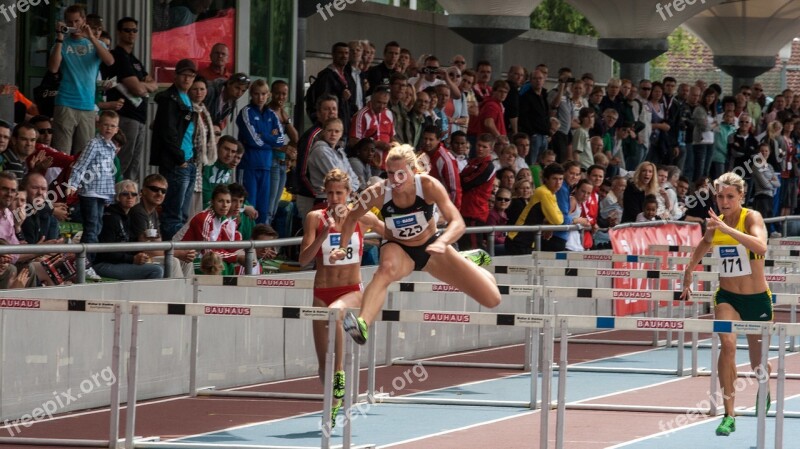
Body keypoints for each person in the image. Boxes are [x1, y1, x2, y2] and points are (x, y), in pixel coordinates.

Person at [335, 145, 501, 345]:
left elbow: (458, 222)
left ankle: (465, 259)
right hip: (398, 248)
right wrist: (343, 247)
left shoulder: (428, 186)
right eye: (390, 174)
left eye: (401, 174)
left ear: (413, 171)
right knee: (385, 270)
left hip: (432, 247)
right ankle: (363, 324)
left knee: (492, 299)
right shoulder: (378, 193)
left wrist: (442, 242)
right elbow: (351, 218)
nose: (395, 181)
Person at [681, 172, 772, 437]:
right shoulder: (714, 224)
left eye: (730, 196)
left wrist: (728, 229)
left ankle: (763, 389)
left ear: (741, 196)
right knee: (728, 344)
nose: (724, 201)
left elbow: (761, 246)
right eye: (720, 196)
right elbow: (704, 243)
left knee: (758, 362)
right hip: (727, 297)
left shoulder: (751, 217)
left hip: (757, 299)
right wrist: (689, 270)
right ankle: (729, 414)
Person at [298, 168, 384, 420]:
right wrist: (324, 234)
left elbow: (388, 232)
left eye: (340, 193)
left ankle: (340, 373)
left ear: (349, 194)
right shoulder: (315, 218)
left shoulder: (361, 218)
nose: (335, 198)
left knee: (337, 313)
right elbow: (303, 260)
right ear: (325, 193)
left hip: (351, 289)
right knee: (322, 365)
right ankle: (334, 405)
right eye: (331, 193)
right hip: (322, 291)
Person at [94, 180, 164, 280]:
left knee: (163, 266)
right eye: (125, 194)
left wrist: (142, 240)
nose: (130, 197)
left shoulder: (127, 216)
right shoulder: (110, 217)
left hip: (118, 262)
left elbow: (126, 244)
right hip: (102, 264)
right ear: (117, 196)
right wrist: (132, 259)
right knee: (156, 270)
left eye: (134, 194)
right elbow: (106, 252)